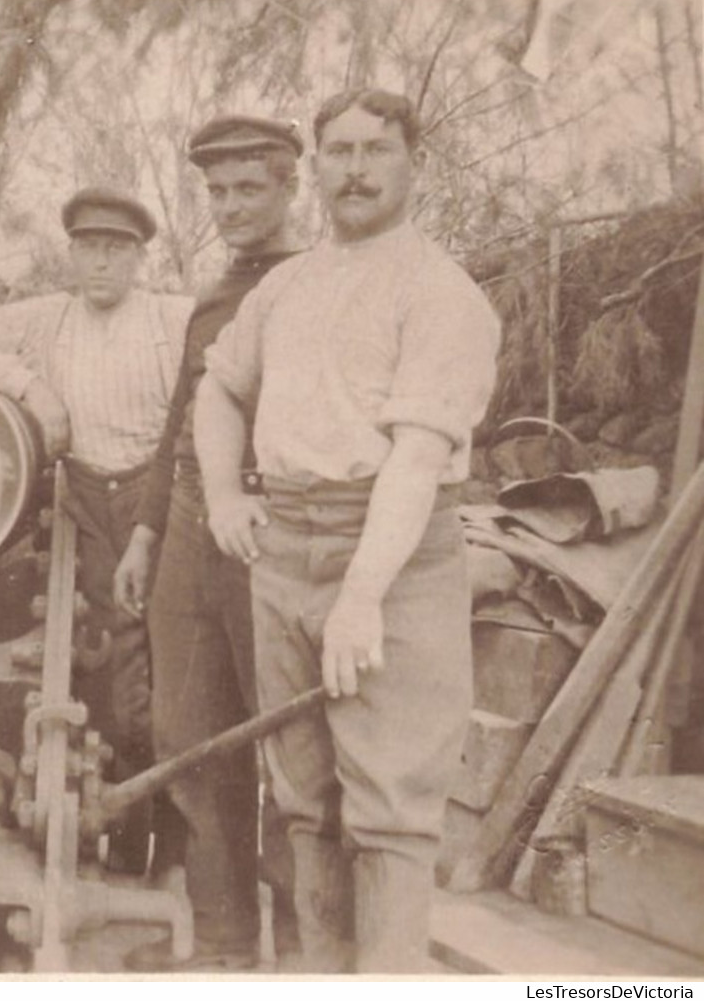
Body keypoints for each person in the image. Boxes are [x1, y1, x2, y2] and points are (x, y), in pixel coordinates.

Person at [195, 89, 500, 973]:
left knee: (391, 808)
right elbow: (218, 387)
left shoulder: (441, 293)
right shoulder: (286, 285)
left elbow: (415, 457)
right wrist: (222, 493)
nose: (355, 171)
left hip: (392, 554)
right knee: (303, 795)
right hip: (283, 544)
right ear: (315, 167)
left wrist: (362, 596)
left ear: (413, 164)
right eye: (338, 152)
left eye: (375, 150)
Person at [0, 186, 194, 873]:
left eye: (115, 249)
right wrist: (30, 387)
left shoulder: (171, 319)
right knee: (105, 672)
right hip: (82, 497)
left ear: (138, 257)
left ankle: (179, 850)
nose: (100, 262)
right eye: (87, 247)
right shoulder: (50, 321)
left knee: (173, 669)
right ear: (70, 253)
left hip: (156, 497)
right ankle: (124, 847)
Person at [113, 115, 307, 971]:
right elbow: (177, 425)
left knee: (289, 748)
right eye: (217, 191)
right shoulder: (215, 292)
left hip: (276, 524)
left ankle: (308, 954)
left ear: (288, 188)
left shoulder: (314, 285)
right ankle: (223, 947)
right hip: (191, 523)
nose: (229, 207)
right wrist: (147, 532)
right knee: (186, 731)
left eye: (248, 189)